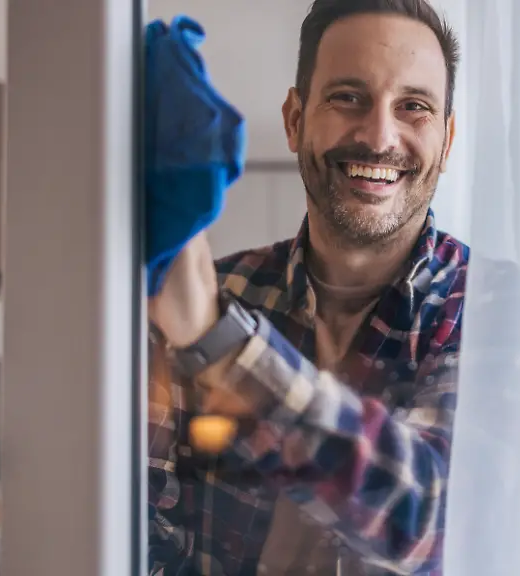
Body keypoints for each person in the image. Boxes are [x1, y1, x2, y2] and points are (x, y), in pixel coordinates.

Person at [147, 1, 471, 574]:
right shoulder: (218, 288)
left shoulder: (493, 306)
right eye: (348, 97)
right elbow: (135, 517)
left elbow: (432, 516)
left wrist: (220, 345)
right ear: (296, 120)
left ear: (445, 141)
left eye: (413, 107)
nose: (379, 136)